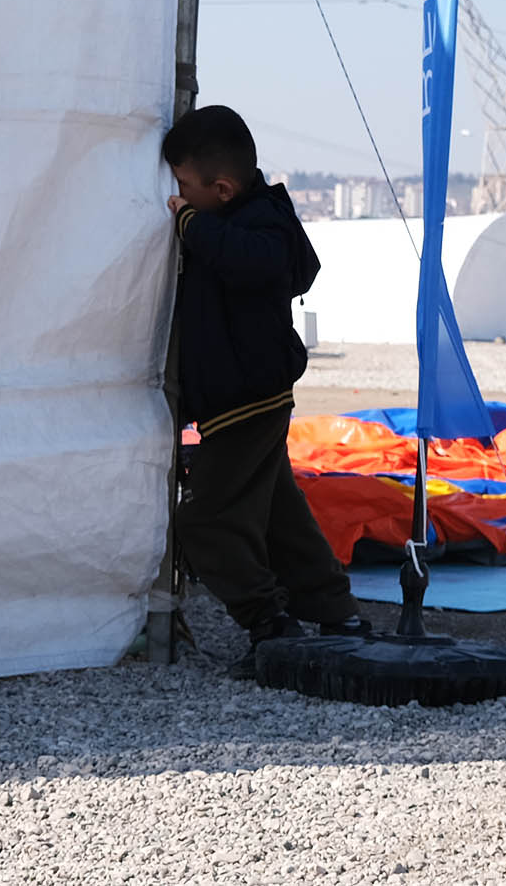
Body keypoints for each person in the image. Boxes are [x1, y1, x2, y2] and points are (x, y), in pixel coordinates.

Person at [161, 104, 369, 677]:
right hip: (254, 398)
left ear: (222, 190)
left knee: (206, 521)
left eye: (183, 187)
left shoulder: (258, 227)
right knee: (279, 515)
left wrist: (190, 225)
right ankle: (337, 614)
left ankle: (269, 624)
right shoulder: (249, 216)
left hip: (243, 402)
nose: (176, 198)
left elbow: (256, 262)